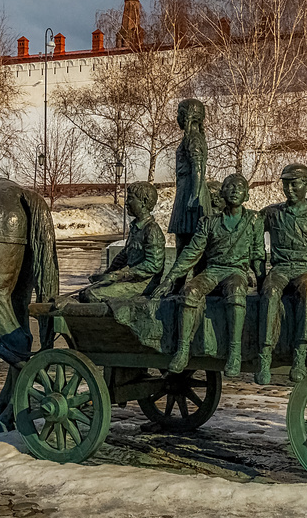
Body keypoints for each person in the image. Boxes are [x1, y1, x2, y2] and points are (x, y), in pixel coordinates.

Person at [158, 174, 262, 379]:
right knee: (189, 292)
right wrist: (171, 278)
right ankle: (183, 350)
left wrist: (262, 282)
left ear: (247, 196)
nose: (234, 190)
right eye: (229, 186)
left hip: (236, 271)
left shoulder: (254, 220)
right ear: (222, 193)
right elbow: (191, 252)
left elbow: (258, 255)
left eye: (239, 187)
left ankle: (234, 353)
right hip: (213, 270)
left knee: (236, 292)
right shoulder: (208, 222)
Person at [256, 163, 307, 384]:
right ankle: (265, 355)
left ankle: (300, 355)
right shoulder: (272, 214)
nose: (289, 190)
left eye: (294, 185)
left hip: (306, 270)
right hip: (281, 268)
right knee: (270, 290)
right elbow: (248, 230)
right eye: (285, 185)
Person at [79, 182, 166, 302]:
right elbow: (125, 254)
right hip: (131, 279)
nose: (125, 203)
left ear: (144, 202)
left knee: (92, 295)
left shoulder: (152, 230)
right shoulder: (136, 228)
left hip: (144, 283)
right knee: (85, 292)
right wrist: (109, 273)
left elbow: (154, 265)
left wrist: (123, 274)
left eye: (130, 198)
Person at [167, 98, 211, 257]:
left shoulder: (193, 139)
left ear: (187, 116)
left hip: (190, 192)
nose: (177, 118)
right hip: (187, 189)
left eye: (179, 114)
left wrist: (194, 196)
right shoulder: (192, 138)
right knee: (186, 242)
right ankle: (180, 280)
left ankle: (181, 281)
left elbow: (197, 168)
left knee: (189, 241)